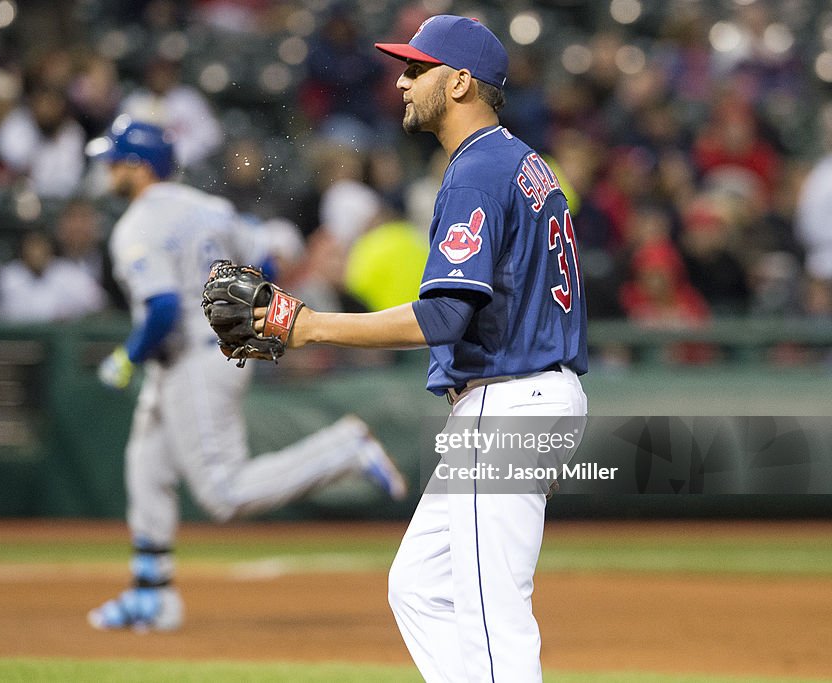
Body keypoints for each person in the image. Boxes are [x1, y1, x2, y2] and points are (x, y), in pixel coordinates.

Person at [251, 16, 588, 681]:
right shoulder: (524, 164)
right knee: (419, 583)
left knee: (493, 608)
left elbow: (442, 315)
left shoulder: (477, 171)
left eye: (417, 68)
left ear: (460, 81)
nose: (402, 81)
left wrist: (308, 325)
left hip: (510, 399)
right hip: (534, 391)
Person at [85, 117, 407, 632]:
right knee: (146, 467)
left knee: (223, 491)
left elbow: (163, 308)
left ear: (139, 167)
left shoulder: (136, 226)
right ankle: (151, 594)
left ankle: (343, 450)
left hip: (193, 355)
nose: (109, 169)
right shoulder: (209, 209)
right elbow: (268, 265)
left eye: (116, 160)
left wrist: (127, 358)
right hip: (218, 345)